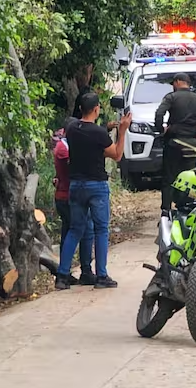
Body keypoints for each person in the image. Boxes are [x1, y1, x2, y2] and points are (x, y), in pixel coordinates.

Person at [55, 93, 132, 290]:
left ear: (81, 109)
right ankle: (102, 275)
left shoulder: (72, 129)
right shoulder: (99, 134)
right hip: (96, 185)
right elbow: (116, 155)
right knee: (101, 229)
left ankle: (62, 276)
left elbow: (87, 135)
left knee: (75, 229)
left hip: (75, 185)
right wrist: (122, 131)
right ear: (97, 109)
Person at [155, 73, 196, 214]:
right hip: (192, 144)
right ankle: (186, 208)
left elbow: (159, 114)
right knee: (189, 178)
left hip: (174, 143)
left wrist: (161, 130)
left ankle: (166, 210)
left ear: (178, 82)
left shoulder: (171, 97)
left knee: (169, 178)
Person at [53, 124, 95, 285]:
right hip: (69, 195)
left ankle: (67, 272)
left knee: (69, 232)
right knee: (84, 230)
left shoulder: (63, 146)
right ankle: (76, 271)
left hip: (66, 194)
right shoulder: (64, 148)